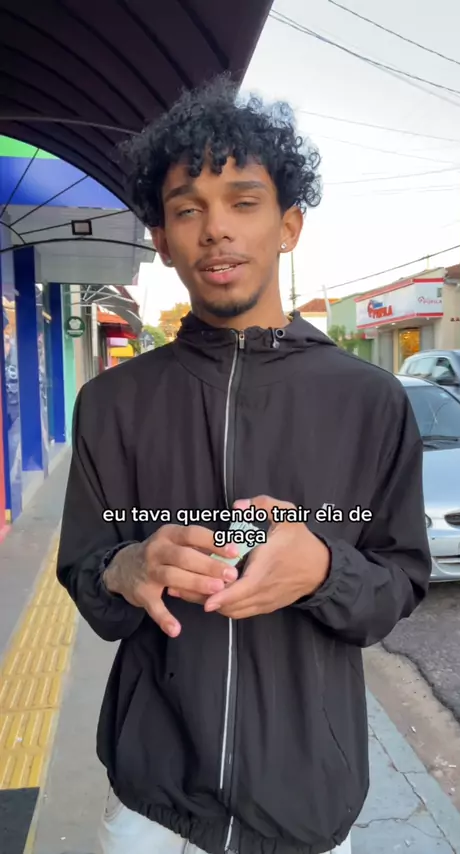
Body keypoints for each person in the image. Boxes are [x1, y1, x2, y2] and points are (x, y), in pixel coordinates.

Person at [57, 76, 432, 854]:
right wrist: (127, 566)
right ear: (163, 239)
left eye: (244, 202)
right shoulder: (110, 404)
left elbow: (398, 586)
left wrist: (323, 568)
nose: (216, 229)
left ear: (288, 225)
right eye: (188, 209)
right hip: (152, 810)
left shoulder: (370, 401)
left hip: (308, 803)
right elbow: (89, 580)